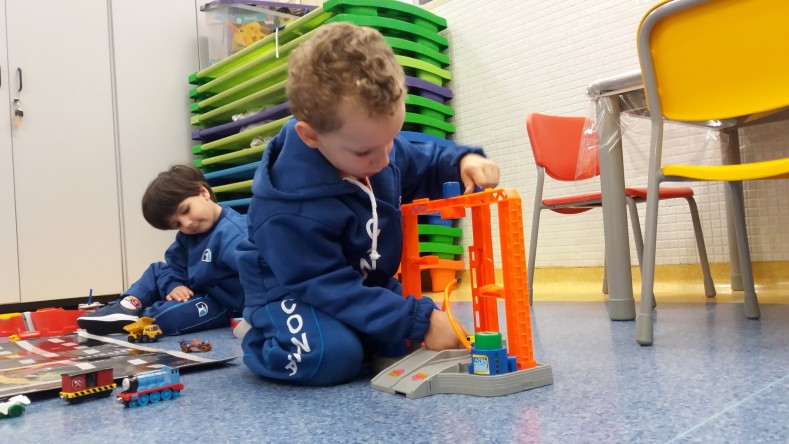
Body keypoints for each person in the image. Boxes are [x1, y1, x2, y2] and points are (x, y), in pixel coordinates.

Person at [237, 22, 500, 387]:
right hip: (291, 289)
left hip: (358, 281)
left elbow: (421, 155)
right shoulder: (286, 209)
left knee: (397, 338)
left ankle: (355, 330)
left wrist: (461, 161)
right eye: (365, 151)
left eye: (390, 138)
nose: (384, 158)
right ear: (310, 136)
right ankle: (260, 337)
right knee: (332, 357)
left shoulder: (372, 144)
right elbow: (323, 283)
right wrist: (418, 319)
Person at [78, 165, 247, 336]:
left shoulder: (235, 233)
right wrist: (175, 284)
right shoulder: (187, 235)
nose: (186, 224)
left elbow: (261, 277)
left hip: (220, 303)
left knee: (167, 318)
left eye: (186, 210)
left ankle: (138, 319)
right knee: (156, 270)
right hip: (192, 289)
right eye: (177, 224)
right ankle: (127, 306)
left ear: (203, 192)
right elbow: (174, 266)